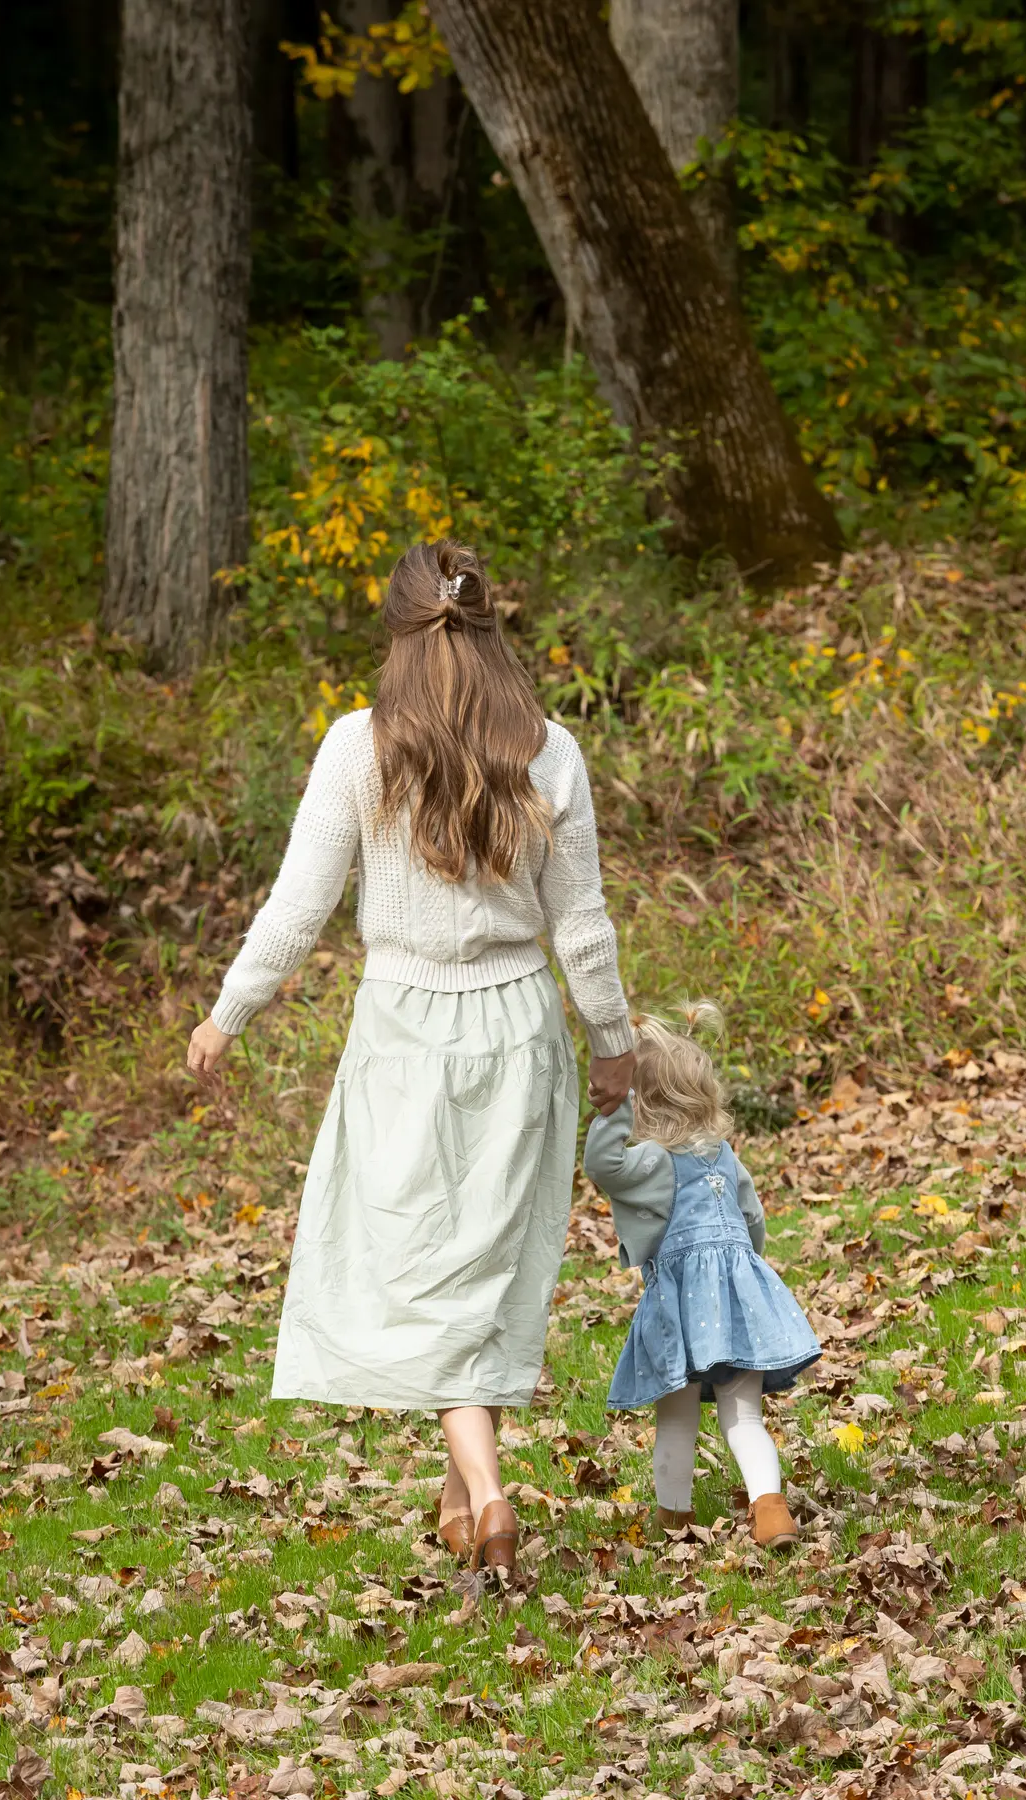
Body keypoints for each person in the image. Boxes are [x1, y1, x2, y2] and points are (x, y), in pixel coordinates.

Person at [187, 539, 634, 1576]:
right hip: (521, 1025)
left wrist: (227, 1013)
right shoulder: (548, 748)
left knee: (422, 1265)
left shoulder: (359, 745)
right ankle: (462, 1496)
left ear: (396, 629)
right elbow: (583, 925)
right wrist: (612, 1043)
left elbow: (298, 907)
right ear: (491, 624)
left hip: (402, 1029)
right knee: (482, 1261)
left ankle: (487, 1490)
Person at [583, 1002, 819, 1550]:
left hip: (680, 1313)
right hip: (739, 1303)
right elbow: (753, 1223)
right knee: (745, 1418)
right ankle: (771, 1510)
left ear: (642, 1104)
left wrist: (614, 1109)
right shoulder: (724, 1155)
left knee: (676, 1420)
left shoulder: (652, 1161)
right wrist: (739, 1278)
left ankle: (674, 1521)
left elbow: (600, 1165)